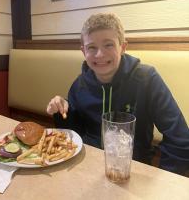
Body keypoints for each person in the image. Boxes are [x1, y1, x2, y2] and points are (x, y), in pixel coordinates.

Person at [46, 13, 189, 176]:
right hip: (86, 168)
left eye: (108, 45)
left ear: (123, 46)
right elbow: (74, 134)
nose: (100, 54)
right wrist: (62, 110)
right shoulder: (79, 84)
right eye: (91, 47)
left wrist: (165, 181)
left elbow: (180, 140)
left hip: (133, 171)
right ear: (83, 51)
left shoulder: (147, 79)